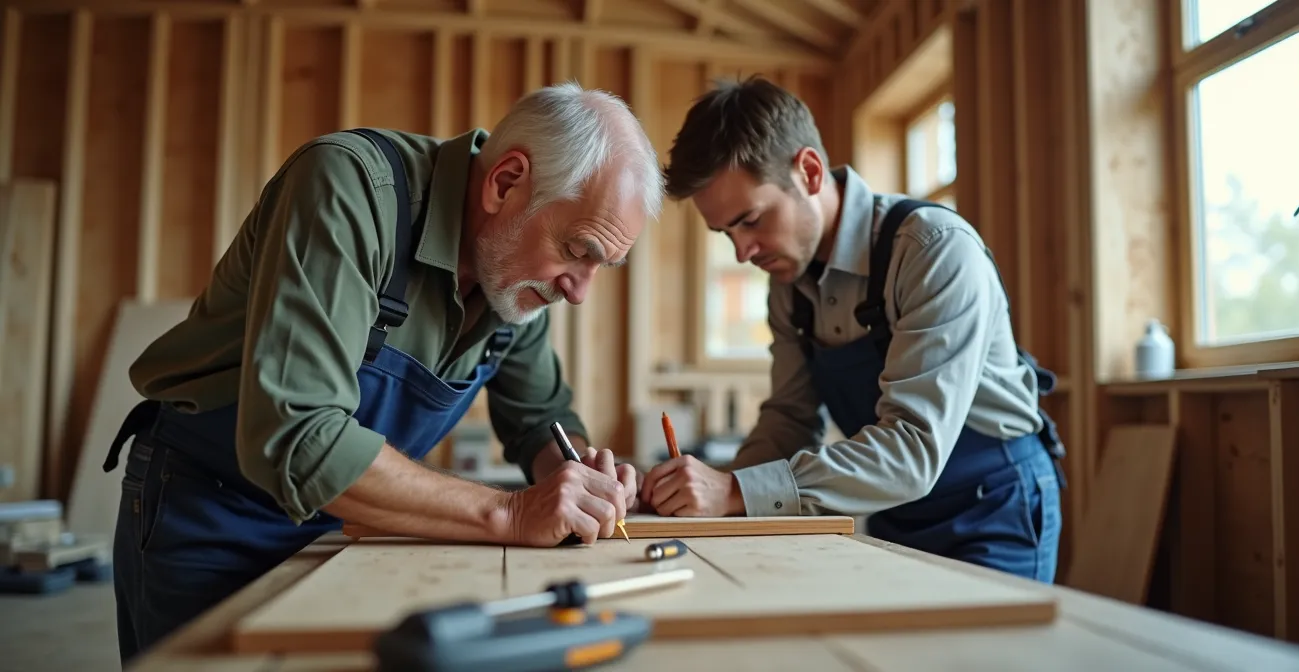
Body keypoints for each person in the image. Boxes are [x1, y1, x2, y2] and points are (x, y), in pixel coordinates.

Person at [104, 82, 665, 662]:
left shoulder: (517, 282)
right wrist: (512, 511)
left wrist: (582, 479)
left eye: (604, 266)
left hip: (354, 526)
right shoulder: (349, 189)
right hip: (213, 513)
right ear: (505, 182)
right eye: (577, 250)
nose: (579, 292)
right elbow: (297, 438)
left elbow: (540, 420)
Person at [640, 75, 1065, 583]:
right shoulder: (788, 284)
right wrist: (714, 490)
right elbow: (789, 419)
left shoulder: (935, 251)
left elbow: (912, 450)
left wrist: (733, 493)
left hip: (996, 509)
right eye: (725, 233)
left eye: (751, 219)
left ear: (810, 172)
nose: (742, 251)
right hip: (898, 514)